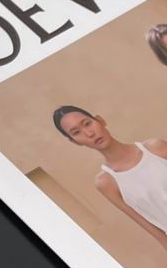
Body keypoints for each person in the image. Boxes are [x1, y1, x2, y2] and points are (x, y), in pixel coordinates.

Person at [52, 105, 167, 249]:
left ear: (100, 120)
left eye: (87, 123)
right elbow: (144, 222)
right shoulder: (106, 182)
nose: (89, 133)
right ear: (74, 141)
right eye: (76, 132)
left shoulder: (155, 148)